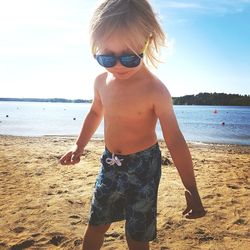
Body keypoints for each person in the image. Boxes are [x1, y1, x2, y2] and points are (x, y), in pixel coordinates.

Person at [59, 0, 206, 249]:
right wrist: (79, 145)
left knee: (137, 233)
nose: (117, 66)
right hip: (110, 162)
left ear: (146, 43)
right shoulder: (101, 82)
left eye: (128, 57)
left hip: (144, 167)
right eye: (106, 58)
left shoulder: (155, 90)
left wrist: (190, 187)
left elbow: (175, 140)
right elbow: (96, 112)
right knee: (96, 222)